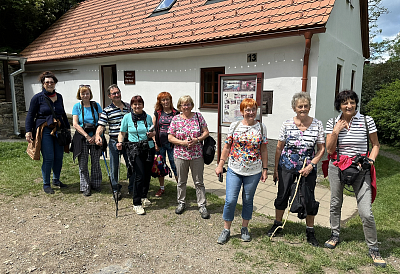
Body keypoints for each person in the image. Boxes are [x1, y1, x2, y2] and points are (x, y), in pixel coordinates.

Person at [324, 90, 385, 267]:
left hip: (361, 168)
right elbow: (329, 150)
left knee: (365, 211)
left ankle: (373, 248)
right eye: (344, 103)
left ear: (356, 103)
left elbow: (375, 145)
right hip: (338, 167)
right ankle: (335, 234)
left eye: (352, 102)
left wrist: (370, 161)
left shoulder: (367, 121)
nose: (349, 106)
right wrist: (336, 131)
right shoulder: (332, 122)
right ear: (339, 106)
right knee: (336, 203)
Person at [266, 92, 325, 247]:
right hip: (286, 166)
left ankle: (310, 230)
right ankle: (277, 224)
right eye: (300, 106)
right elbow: (279, 148)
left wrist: (311, 165)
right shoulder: (286, 124)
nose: (303, 109)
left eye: (306, 106)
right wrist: (277, 170)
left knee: (309, 198)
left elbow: (321, 149)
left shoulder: (317, 124)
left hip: (308, 168)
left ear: (309, 107)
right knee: (282, 196)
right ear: (294, 108)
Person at [215, 98, 268, 244]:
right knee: (230, 200)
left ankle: (244, 228)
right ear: (242, 111)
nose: (251, 113)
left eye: (253, 109)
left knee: (248, 200)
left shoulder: (261, 127)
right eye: (247, 110)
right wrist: (220, 164)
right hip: (234, 169)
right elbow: (226, 147)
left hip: (254, 171)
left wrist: (265, 169)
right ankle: (226, 229)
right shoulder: (234, 126)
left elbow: (263, 149)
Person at [25, 71, 70, 194]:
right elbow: (30, 115)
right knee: (49, 157)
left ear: (55, 83)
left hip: (59, 130)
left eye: (52, 82)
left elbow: (62, 113)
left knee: (59, 157)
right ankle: (46, 183)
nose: (50, 84)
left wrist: (67, 128)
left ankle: (56, 179)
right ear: (43, 84)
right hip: (45, 130)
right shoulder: (37, 98)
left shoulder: (59, 96)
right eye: (47, 82)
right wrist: (28, 131)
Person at [168, 95, 210, 219]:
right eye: (183, 104)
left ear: (191, 105)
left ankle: (202, 205)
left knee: (199, 181)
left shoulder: (198, 116)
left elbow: (206, 132)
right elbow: (170, 137)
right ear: (179, 106)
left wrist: (197, 139)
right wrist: (183, 143)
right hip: (180, 155)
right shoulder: (175, 119)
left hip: (197, 154)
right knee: (181, 181)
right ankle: (181, 203)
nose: (186, 107)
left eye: (188, 104)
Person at [117, 95, 155, 215]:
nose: (137, 106)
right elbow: (122, 133)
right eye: (135, 104)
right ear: (131, 105)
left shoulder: (148, 117)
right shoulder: (127, 117)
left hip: (148, 148)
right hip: (134, 149)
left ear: (143, 105)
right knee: (139, 175)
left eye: (139, 104)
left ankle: (144, 196)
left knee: (147, 174)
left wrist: (151, 134)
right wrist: (120, 142)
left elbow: (153, 131)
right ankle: (136, 203)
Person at [95, 84, 130, 200]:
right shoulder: (107, 110)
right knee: (114, 167)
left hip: (129, 142)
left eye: (118, 92)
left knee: (132, 164)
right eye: (114, 93)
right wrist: (97, 136)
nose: (117, 95)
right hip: (114, 142)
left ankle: (133, 187)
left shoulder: (129, 107)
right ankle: (115, 189)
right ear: (109, 96)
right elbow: (101, 126)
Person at [71, 85, 103, 196]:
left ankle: (96, 183)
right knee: (83, 163)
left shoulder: (96, 105)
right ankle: (85, 186)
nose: (85, 95)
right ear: (79, 95)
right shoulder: (77, 106)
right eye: (83, 93)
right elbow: (75, 124)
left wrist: (95, 135)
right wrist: (87, 136)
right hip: (82, 138)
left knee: (96, 162)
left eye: (87, 93)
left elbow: (101, 121)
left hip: (95, 136)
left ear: (90, 94)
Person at [152, 92, 179, 196]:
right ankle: (161, 188)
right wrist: (155, 143)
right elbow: (153, 129)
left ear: (170, 100)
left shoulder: (176, 113)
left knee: (175, 166)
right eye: (163, 100)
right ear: (160, 102)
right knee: (160, 166)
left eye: (167, 99)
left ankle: (180, 188)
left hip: (173, 145)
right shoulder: (157, 113)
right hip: (160, 145)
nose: (165, 102)